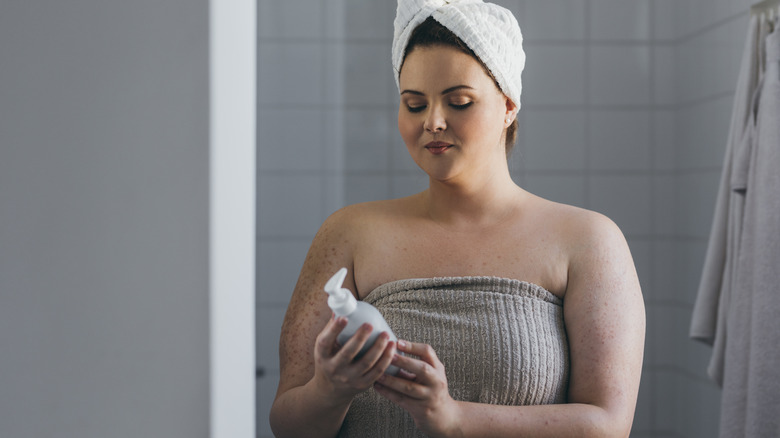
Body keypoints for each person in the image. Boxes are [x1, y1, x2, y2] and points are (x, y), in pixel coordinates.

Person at [269, 1, 645, 437]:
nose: (433, 122)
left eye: (459, 102)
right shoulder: (348, 234)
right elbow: (287, 423)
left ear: (508, 106)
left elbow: (607, 426)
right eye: (413, 105)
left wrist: (453, 418)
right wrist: (329, 390)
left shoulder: (588, 241)